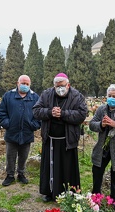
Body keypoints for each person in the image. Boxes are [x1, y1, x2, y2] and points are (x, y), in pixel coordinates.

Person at [33, 73, 87, 202]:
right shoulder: (46, 94)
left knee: (67, 168)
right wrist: (50, 112)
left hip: (68, 139)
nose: (60, 89)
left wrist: (63, 113)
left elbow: (81, 114)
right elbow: (36, 110)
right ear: (54, 86)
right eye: (57, 86)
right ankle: (49, 192)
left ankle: (69, 193)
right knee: (50, 167)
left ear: (68, 85)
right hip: (50, 138)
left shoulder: (77, 96)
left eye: (62, 86)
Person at [0, 75, 41, 186]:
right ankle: (10, 175)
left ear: (30, 85)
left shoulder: (35, 97)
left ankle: (21, 174)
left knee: (24, 155)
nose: (25, 85)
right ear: (18, 83)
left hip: (27, 133)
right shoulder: (8, 96)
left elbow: (39, 115)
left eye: (27, 84)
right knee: (10, 156)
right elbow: (2, 113)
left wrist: (33, 125)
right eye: (23, 83)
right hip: (12, 132)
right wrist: (8, 124)